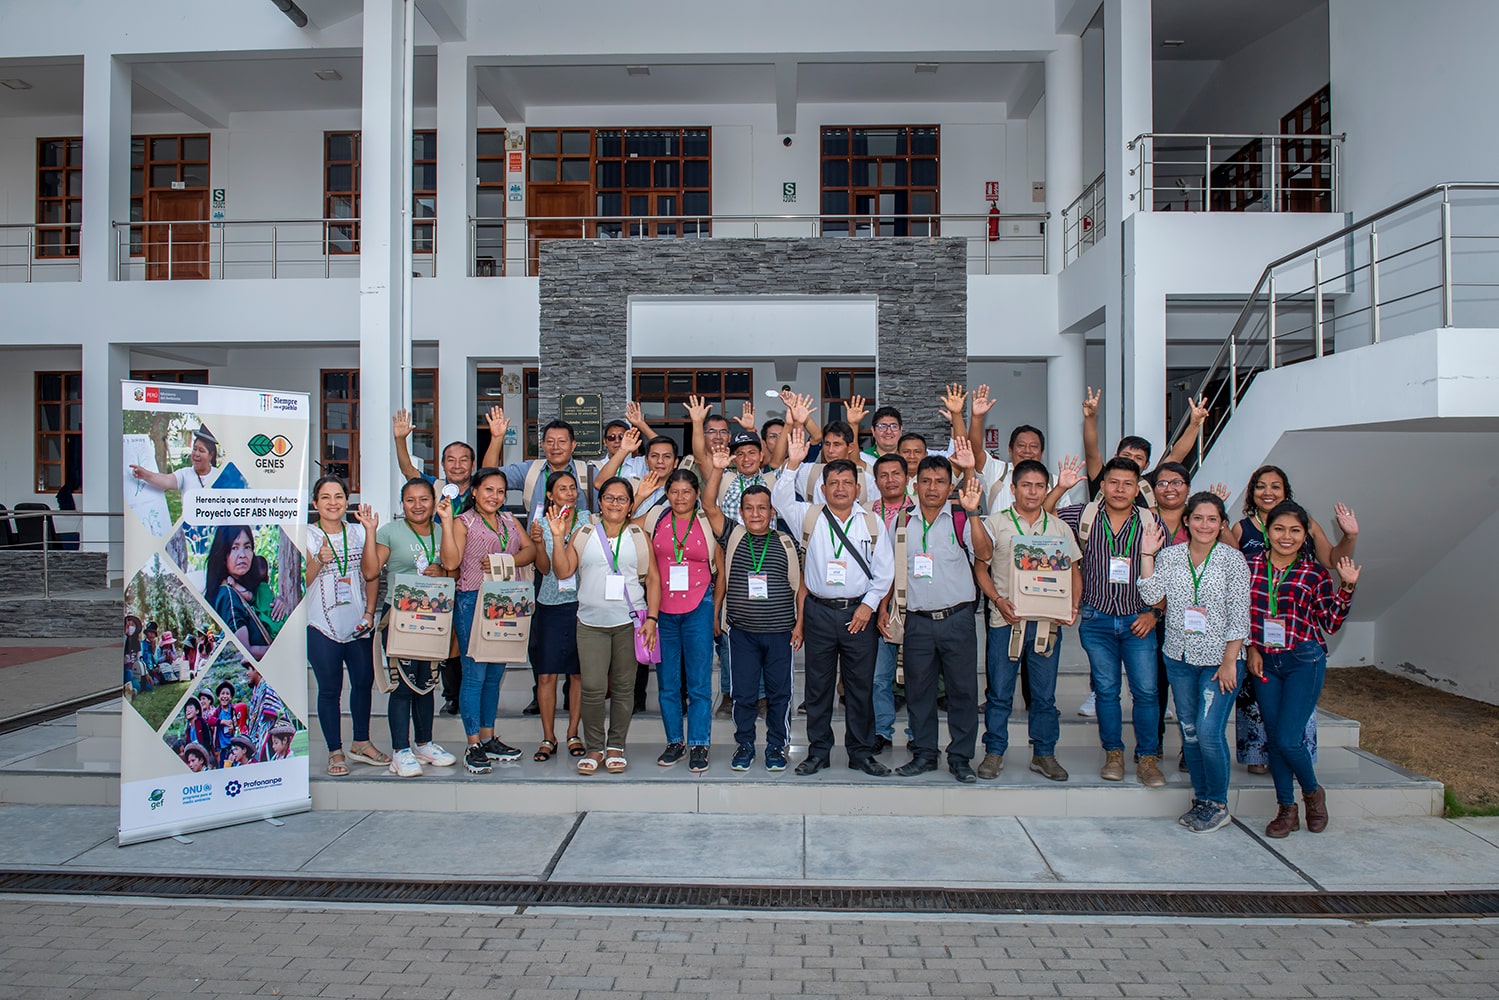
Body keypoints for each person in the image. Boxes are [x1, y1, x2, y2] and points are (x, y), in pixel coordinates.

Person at [773, 429, 895, 777]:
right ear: (823, 489)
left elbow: (884, 573)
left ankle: (860, 752)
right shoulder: (808, 517)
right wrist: (794, 463)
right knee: (818, 687)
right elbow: (780, 499)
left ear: (858, 488)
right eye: (833, 482)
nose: (840, 488)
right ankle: (818, 752)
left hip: (859, 614)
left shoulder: (870, 522)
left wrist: (868, 605)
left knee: (860, 687)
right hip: (819, 613)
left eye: (847, 482)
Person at [1228, 464, 1359, 774]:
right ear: (1252, 493)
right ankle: (1259, 756)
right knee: (1257, 703)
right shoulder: (1240, 528)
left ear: (1286, 491)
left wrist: (1349, 535)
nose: (1268, 492)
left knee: (1293, 711)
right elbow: (1232, 580)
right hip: (1258, 638)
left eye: (1276, 486)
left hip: (1297, 630)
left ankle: (1293, 756)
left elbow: (1331, 560)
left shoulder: (1306, 524)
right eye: (1261, 486)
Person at [1137, 492, 1252, 833]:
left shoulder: (1233, 561)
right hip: (1179, 658)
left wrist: (1231, 660)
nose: (1205, 525)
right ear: (1186, 521)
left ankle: (1218, 803)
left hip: (1220, 662)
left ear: (1221, 524)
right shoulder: (1171, 556)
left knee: (1208, 731)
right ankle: (1202, 800)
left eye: (1212, 519)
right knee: (1189, 732)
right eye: (1198, 518)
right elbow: (1151, 596)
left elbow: (1239, 615)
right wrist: (1147, 555)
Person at [1246, 501, 1360, 838]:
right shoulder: (1250, 566)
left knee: (1287, 738)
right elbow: (1241, 613)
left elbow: (1331, 622)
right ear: (1268, 531)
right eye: (1279, 529)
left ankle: (1312, 792)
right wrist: (1252, 646)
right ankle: (1286, 810)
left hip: (1303, 660)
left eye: (1295, 530)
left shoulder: (1314, 572)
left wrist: (1347, 586)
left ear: (1304, 535)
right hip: (1264, 661)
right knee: (1274, 737)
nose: (1286, 536)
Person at [1054, 456, 1170, 786]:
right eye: (1113, 482)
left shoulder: (1152, 523)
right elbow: (1044, 517)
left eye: (1127, 484)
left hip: (1139, 620)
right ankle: (1114, 754)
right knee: (1106, 691)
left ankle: (1148, 758)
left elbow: (1167, 575)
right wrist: (1061, 488)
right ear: (1102, 486)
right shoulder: (1083, 516)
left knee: (1147, 692)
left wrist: (1155, 613)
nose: (1120, 489)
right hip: (1097, 619)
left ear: (1137, 489)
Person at [880, 450, 990, 783]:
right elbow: (890, 569)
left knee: (963, 692)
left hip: (957, 619)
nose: (932, 488)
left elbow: (985, 553)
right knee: (919, 691)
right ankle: (925, 753)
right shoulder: (901, 522)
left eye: (940, 482)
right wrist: (884, 607)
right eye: (925, 481)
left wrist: (972, 515)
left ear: (950, 485)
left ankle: (960, 757)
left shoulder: (960, 518)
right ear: (915, 485)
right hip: (917, 621)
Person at [974, 459, 1082, 783]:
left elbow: (1074, 570)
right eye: (1026, 485)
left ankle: (1044, 754)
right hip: (1007, 620)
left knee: (1044, 695)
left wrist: (1073, 606)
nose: (1032, 492)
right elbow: (981, 568)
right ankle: (994, 752)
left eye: (1039, 486)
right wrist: (997, 600)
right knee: (999, 693)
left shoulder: (1059, 527)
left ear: (1046, 490)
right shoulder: (995, 523)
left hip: (1047, 624)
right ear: (1013, 489)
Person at [546, 476, 656, 775]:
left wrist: (653, 619)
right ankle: (595, 747)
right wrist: (558, 537)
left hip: (630, 623)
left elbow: (654, 579)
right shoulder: (583, 533)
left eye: (622, 499)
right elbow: (564, 570)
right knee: (593, 687)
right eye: (609, 497)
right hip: (591, 622)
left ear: (631, 505)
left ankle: (616, 745)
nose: (615, 503)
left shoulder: (637, 535)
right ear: (600, 501)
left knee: (623, 688)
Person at [438, 467, 534, 775]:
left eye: (500, 491)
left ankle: (489, 737)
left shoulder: (508, 520)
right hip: (473, 602)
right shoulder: (463, 522)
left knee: (495, 675)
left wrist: (502, 560)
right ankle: (473, 744)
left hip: (504, 603)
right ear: (475, 492)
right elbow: (451, 562)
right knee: (475, 674)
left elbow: (529, 550)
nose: (495, 496)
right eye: (488, 490)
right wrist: (445, 522)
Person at [363, 477, 458, 777]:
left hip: (433, 616)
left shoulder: (443, 530)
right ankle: (400, 750)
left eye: (424, 499)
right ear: (402, 504)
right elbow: (370, 571)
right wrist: (369, 532)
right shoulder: (390, 532)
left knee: (426, 682)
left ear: (434, 501)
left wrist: (442, 568)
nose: (418, 506)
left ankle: (424, 743)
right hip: (400, 616)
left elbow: (454, 566)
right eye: (410, 500)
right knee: (402, 685)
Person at [703, 475, 798, 772]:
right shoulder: (733, 535)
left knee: (779, 694)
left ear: (773, 512)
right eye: (749, 508)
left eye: (762, 508)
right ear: (741, 512)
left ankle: (776, 746)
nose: (756, 514)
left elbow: (802, 588)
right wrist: (717, 469)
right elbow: (708, 504)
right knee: (743, 694)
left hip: (781, 632)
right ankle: (744, 744)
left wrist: (801, 626)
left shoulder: (787, 541)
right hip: (742, 632)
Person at [641, 468, 726, 771]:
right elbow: (625, 527)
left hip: (698, 607)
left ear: (696, 494)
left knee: (699, 683)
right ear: (667, 493)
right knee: (668, 683)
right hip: (662, 610)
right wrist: (640, 496)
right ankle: (675, 741)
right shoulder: (656, 519)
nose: (680, 497)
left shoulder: (706, 522)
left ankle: (699, 744)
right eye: (674, 491)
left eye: (686, 491)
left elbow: (721, 571)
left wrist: (715, 611)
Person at [304, 477, 383, 776]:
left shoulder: (358, 532)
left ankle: (361, 742)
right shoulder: (307, 535)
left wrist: (370, 612)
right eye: (325, 497)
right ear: (315, 504)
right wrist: (319, 561)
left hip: (358, 623)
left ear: (347, 501)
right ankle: (335, 751)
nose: (333, 502)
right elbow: (299, 585)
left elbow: (371, 575)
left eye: (339, 496)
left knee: (363, 683)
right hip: (321, 626)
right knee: (329, 689)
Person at [527, 469, 586, 761]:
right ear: (550, 495)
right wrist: (539, 542)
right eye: (562, 489)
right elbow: (543, 568)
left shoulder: (588, 521)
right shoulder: (539, 522)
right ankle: (548, 737)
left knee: (578, 674)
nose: (570, 493)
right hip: (550, 604)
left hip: (581, 605)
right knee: (547, 673)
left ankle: (573, 732)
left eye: (573, 488)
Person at [869, 453, 913, 750]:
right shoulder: (866, 514)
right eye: (883, 475)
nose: (890, 480)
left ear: (907, 478)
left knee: (918, 676)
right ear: (876, 481)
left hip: (916, 603)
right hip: (878, 602)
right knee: (878, 676)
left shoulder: (921, 510)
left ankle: (917, 735)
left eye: (896, 474)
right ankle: (882, 730)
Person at [204, 526, 286, 659]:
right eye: (234, 547)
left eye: (247, 547)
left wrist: (277, 603)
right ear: (222, 554)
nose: (242, 555)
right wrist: (285, 650)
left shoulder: (249, 589)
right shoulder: (228, 595)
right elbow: (244, 651)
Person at [129, 424, 221, 511]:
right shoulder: (185, 474)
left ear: (211, 455)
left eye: (201, 451)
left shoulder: (220, 476)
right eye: (194, 449)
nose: (196, 454)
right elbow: (166, 479)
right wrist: (145, 474)